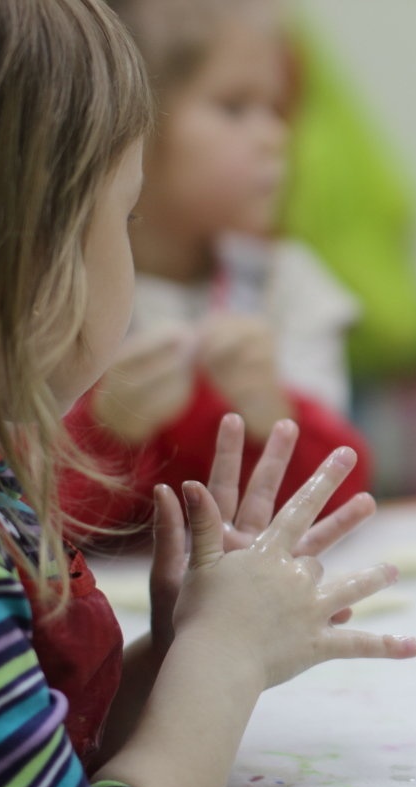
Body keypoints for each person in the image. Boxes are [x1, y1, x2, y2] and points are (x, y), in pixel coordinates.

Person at [0, 2, 416, 787]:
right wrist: (221, 664)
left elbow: (27, 753)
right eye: (123, 217)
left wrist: (185, 644)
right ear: (18, 252)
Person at [64, 0, 370, 533]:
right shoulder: (62, 286)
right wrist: (106, 430)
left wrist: (275, 414)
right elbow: (30, 518)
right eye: (234, 107)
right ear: (130, 125)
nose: (275, 136)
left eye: (278, 108)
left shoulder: (289, 284)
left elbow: (342, 501)